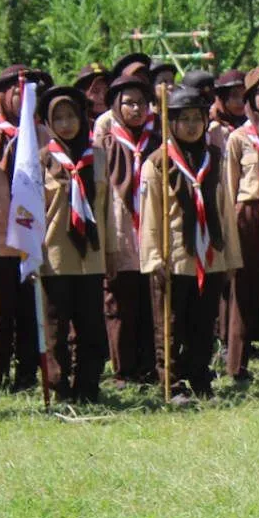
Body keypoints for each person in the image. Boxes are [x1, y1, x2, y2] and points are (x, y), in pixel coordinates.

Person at [140, 87, 240, 402]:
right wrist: (155, 258)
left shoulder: (215, 156)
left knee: (203, 321)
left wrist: (231, 257)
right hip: (176, 256)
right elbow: (151, 215)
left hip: (209, 254)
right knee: (171, 324)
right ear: (170, 123)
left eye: (197, 118)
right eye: (184, 119)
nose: (192, 125)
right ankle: (172, 383)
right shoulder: (158, 162)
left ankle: (200, 378)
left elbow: (225, 207)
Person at [27, 87, 114, 403]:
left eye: (71, 116)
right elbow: (30, 211)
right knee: (56, 328)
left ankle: (89, 386)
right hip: (54, 255)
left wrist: (112, 251)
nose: (66, 124)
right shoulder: (40, 160)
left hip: (91, 256)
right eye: (58, 118)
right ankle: (59, 387)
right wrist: (30, 253)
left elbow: (107, 210)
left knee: (91, 326)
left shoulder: (98, 157)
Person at [0, 65, 43, 390]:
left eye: (31, 93)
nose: (24, 99)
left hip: (31, 240)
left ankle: (29, 375)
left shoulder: (40, 134)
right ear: (3, 95)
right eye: (18, 92)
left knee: (30, 314)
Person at [98, 75, 161, 387]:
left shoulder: (158, 139)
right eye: (129, 103)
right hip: (120, 229)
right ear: (116, 107)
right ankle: (124, 369)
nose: (136, 109)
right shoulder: (107, 142)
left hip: (151, 231)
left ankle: (151, 366)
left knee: (151, 304)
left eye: (141, 103)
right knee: (120, 304)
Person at [222, 66, 259, 380]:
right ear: (250, 98)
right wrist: (231, 229)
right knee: (244, 290)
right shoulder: (238, 138)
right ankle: (237, 364)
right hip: (248, 214)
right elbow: (230, 187)